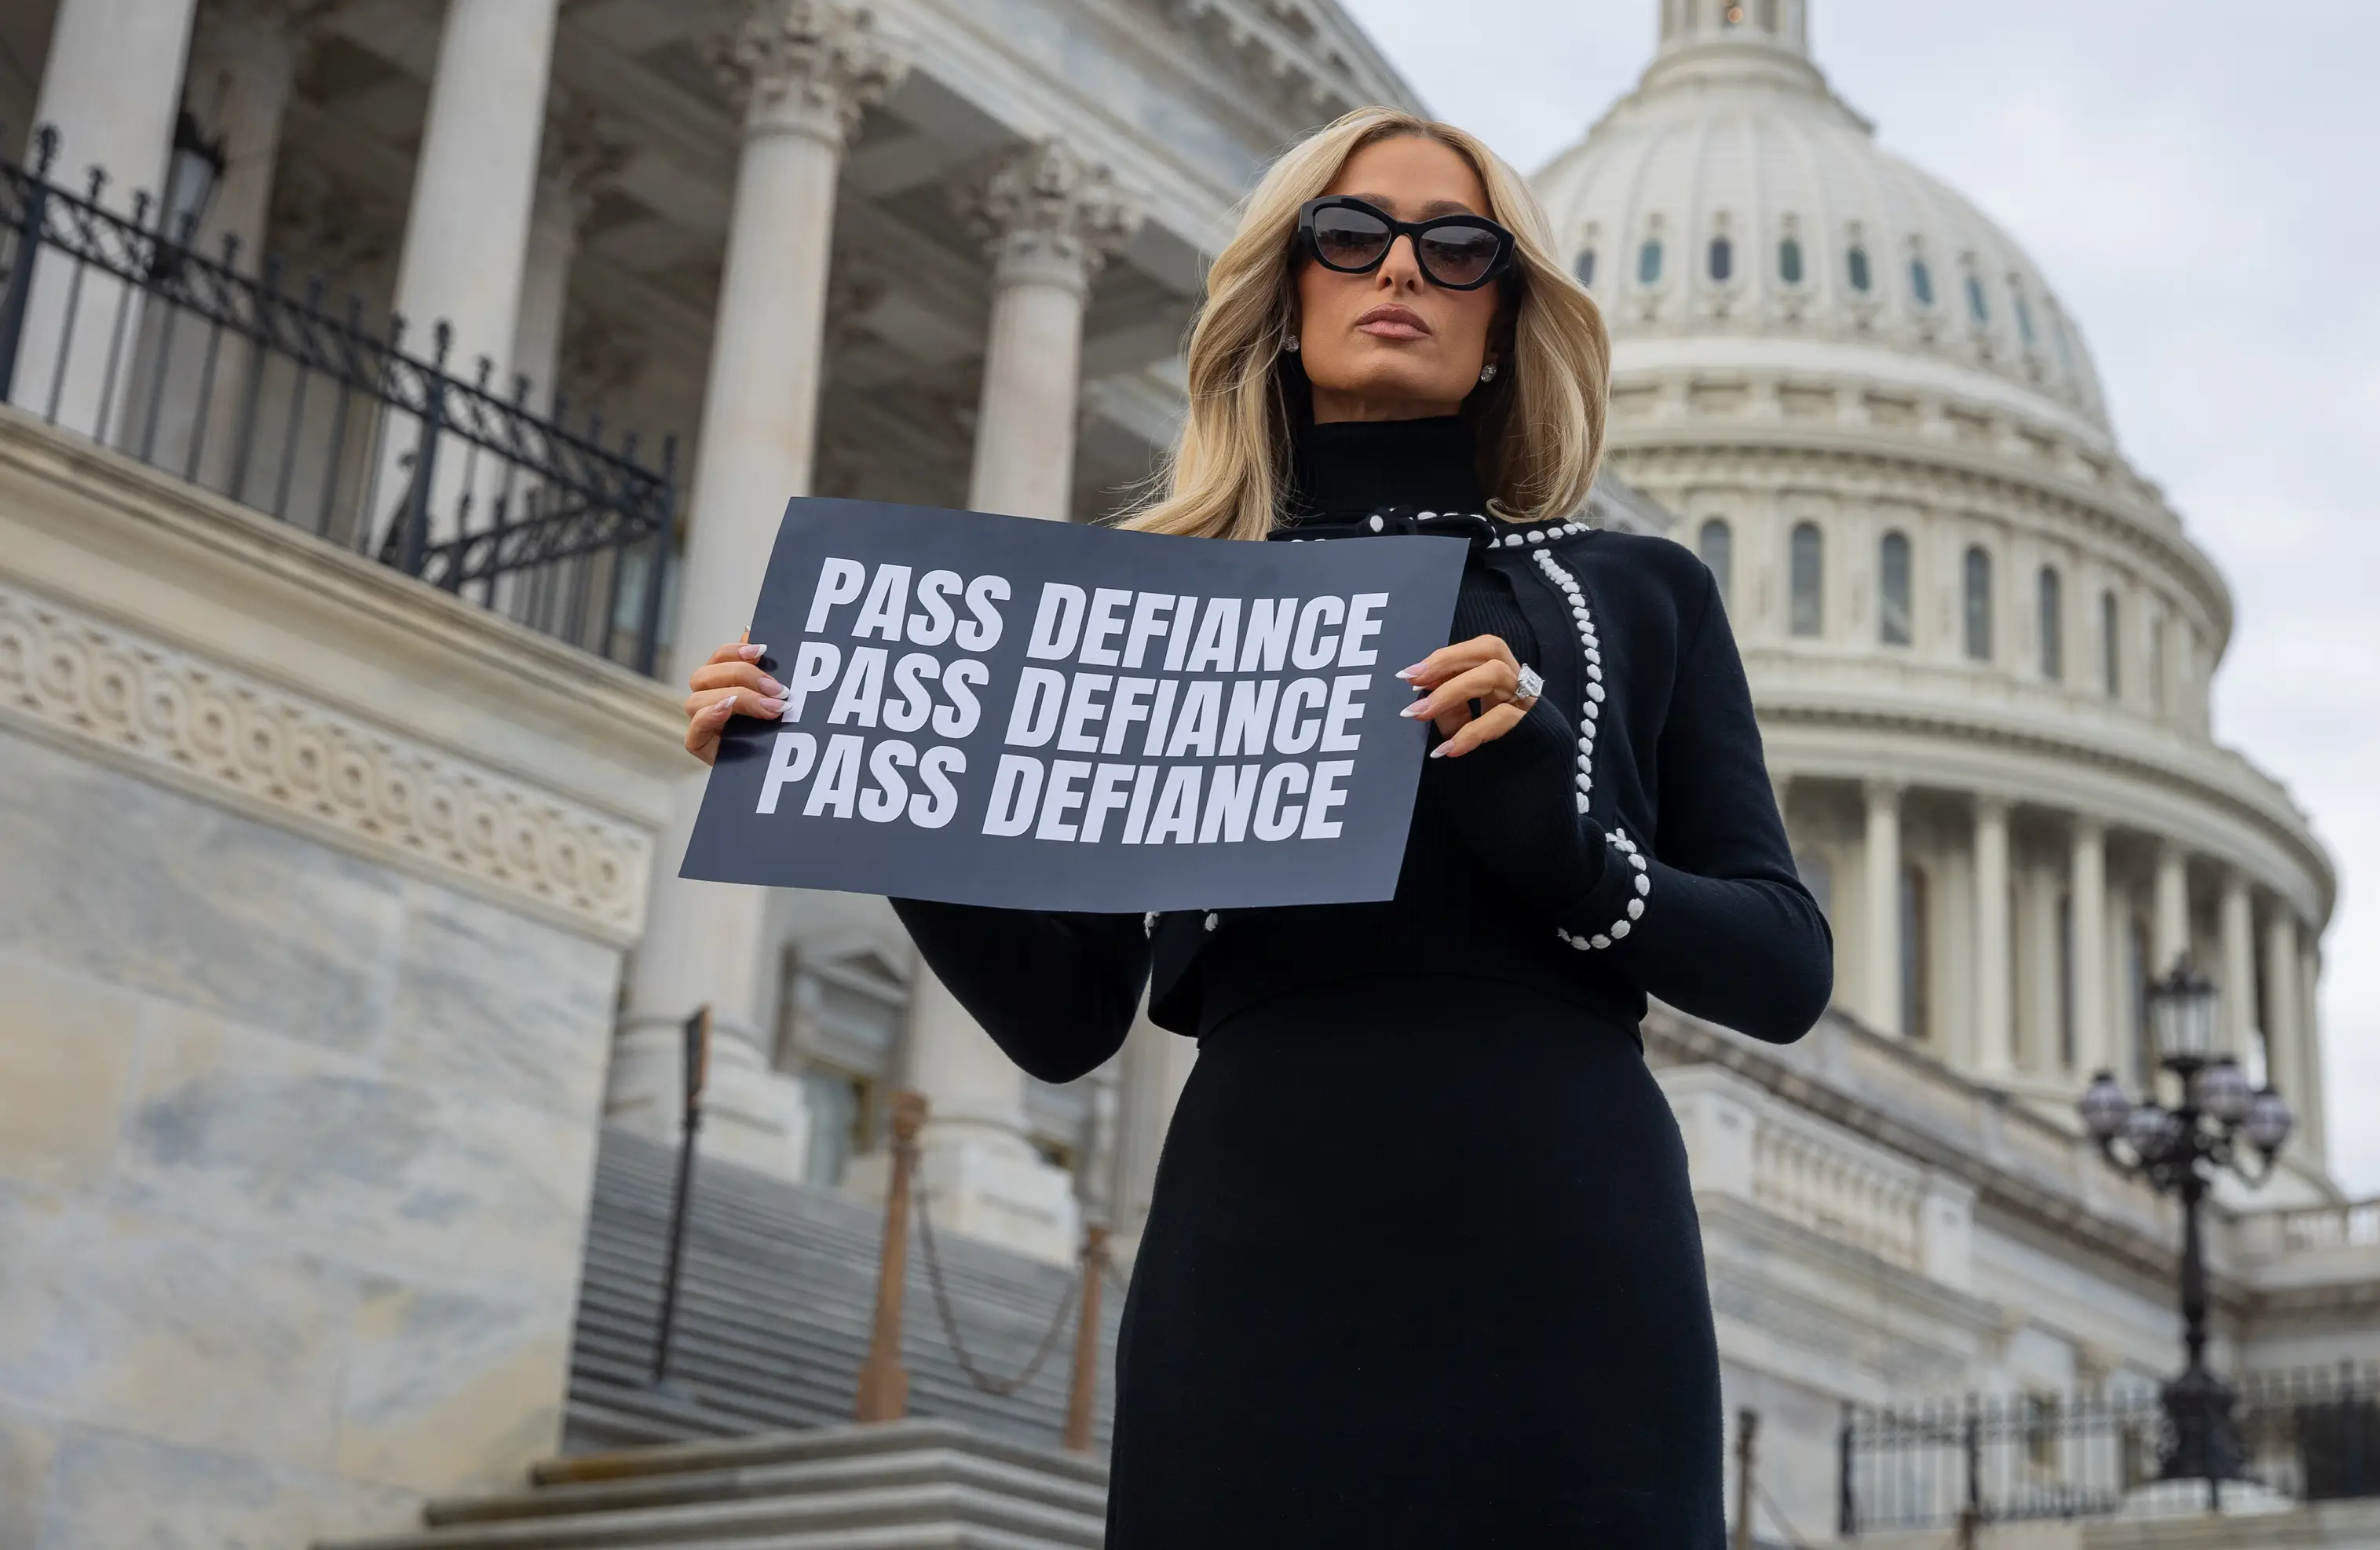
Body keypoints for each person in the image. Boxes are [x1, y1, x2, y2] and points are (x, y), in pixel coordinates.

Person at [681, 107, 1831, 1547]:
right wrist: (872, 788)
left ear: (1505, 314)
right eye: (1349, 236)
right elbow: (1067, 1019)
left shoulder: (1637, 592)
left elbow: (1784, 967)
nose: (1399, 269)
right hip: (1259, 1246)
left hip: (1572, 1243)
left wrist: (1571, 847)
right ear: (1285, 291)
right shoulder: (1155, 600)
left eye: (1456, 247)